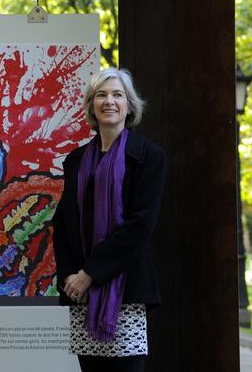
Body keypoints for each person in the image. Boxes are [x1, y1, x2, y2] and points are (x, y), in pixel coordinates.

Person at [52, 68, 166, 372]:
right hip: (81, 292)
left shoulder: (149, 157)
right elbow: (61, 224)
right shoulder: (75, 161)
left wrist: (90, 273)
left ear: (129, 105)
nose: (109, 101)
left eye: (117, 95)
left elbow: (138, 228)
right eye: (101, 95)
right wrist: (70, 278)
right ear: (92, 105)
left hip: (125, 292)